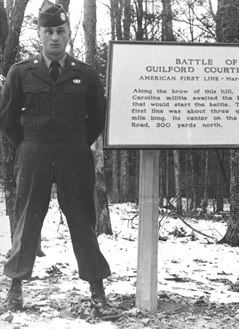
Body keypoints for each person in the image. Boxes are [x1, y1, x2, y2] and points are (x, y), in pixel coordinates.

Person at [0, 0, 119, 320]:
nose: (55, 37)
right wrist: (27, 146)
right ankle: (15, 290)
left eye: (61, 31)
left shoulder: (86, 74)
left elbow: (97, 117)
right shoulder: (20, 72)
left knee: (83, 221)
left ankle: (97, 292)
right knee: (26, 221)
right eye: (48, 31)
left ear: (68, 33)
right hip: (33, 153)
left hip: (74, 154)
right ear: (40, 34)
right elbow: (8, 118)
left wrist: (78, 144)